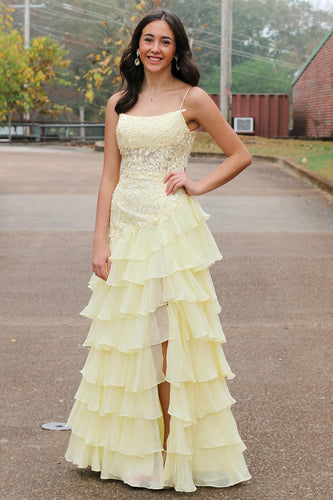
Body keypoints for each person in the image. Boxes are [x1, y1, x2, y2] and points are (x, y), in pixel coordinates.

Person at [65, 8, 252, 493]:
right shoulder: (118, 103)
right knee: (128, 343)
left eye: (164, 41)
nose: (154, 48)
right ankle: (130, 453)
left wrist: (197, 184)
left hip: (170, 231)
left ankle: (172, 455)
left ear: (177, 49)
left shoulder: (192, 98)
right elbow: (109, 174)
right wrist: (99, 240)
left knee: (169, 345)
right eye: (147, 39)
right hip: (126, 233)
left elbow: (240, 153)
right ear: (136, 46)